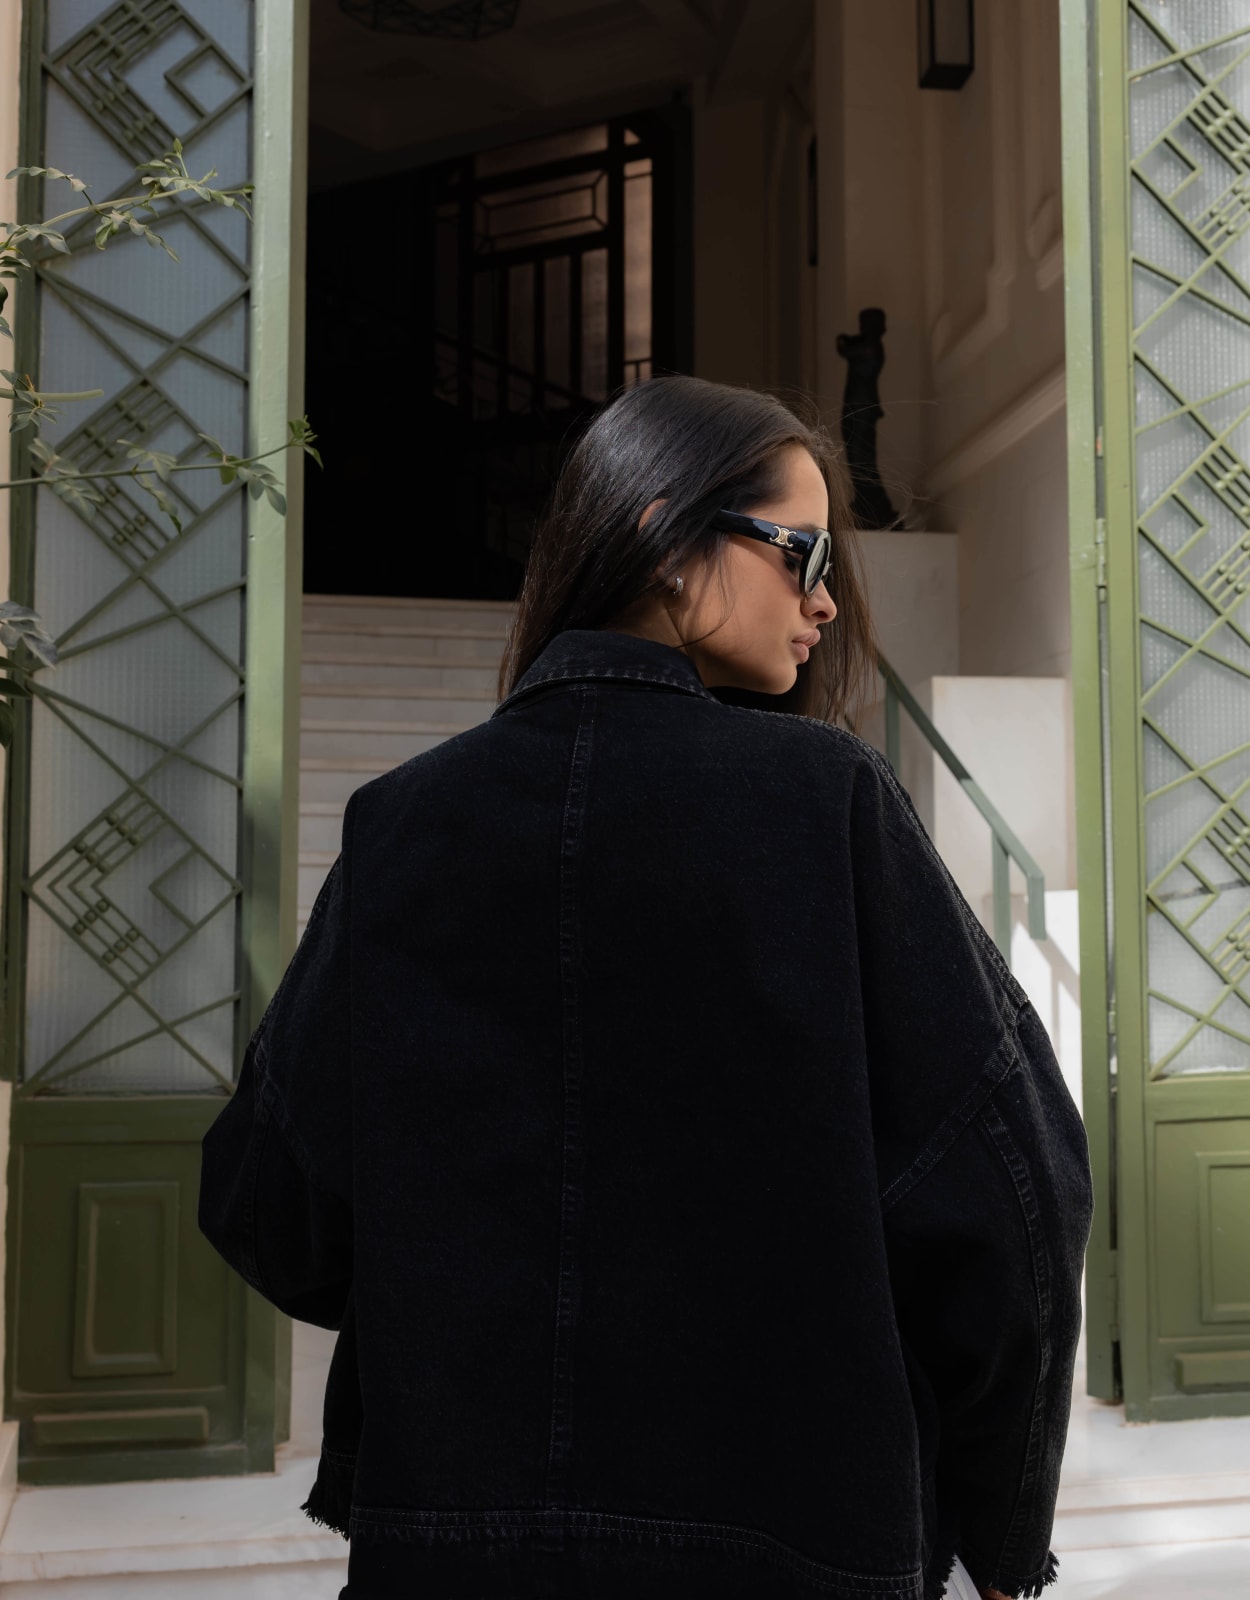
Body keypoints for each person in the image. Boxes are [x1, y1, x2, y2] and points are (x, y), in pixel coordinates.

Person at [199, 374, 1094, 1600]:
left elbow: (270, 1201)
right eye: (803, 552)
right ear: (669, 541)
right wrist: (997, 1530)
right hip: (792, 1544)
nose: (826, 600)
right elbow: (1012, 1193)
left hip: (453, 1554)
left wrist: (452, 1272)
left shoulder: (401, 824)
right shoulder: (825, 806)